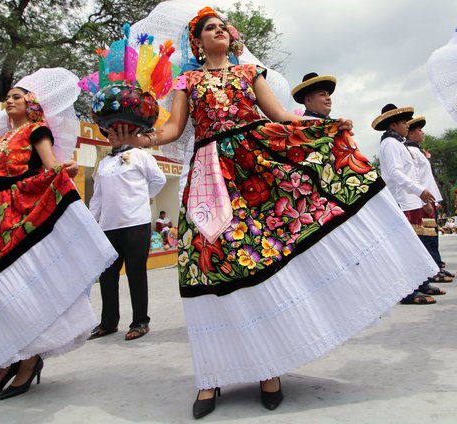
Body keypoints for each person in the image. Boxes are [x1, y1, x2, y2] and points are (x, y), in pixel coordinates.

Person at [110, 6, 438, 419]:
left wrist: (326, 129)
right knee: (206, 265)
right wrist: (140, 138)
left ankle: (270, 368)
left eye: (223, 26)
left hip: (257, 170)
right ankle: (210, 376)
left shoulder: (251, 73)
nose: (220, 31)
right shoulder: (187, 80)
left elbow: (281, 116)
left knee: (264, 259)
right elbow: (173, 131)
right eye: (210, 28)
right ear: (197, 42)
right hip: (210, 177)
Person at [0, 68, 117, 401]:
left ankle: (29, 359)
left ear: (31, 102)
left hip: (26, 212)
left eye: (17, 96)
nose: (9, 101)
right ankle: (9, 359)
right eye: (7, 97)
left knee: (26, 283)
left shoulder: (37, 130)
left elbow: (50, 165)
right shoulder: (0, 140)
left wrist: (66, 170)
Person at [88, 139, 166, 341]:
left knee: (135, 272)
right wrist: (90, 222)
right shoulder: (104, 162)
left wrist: (140, 199)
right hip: (108, 225)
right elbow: (97, 197)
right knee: (107, 275)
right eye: (110, 131)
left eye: (118, 129)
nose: (113, 134)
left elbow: (159, 180)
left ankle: (140, 322)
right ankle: (108, 322)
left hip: (135, 223)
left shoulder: (141, 156)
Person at [373, 105, 444, 304]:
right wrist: (419, 191)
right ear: (394, 124)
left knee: (419, 245)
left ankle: (421, 283)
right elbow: (395, 173)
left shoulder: (398, 143)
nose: (407, 126)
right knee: (409, 248)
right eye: (404, 123)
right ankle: (408, 291)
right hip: (403, 202)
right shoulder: (390, 144)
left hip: (412, 201)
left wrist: (421, 197)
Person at [405, 116, 454, 282]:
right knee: (428, 236)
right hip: (422, 200)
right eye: (419, 130)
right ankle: (433, 269)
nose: (422, 133)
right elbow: (416, 178)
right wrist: (424, 202)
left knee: (433, 235)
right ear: (410, 133)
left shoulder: (417, 149)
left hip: (428, 198)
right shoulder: (410, 151)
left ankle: (437, 265)